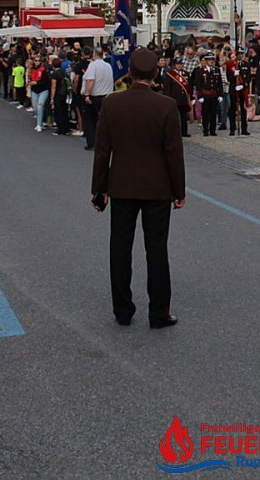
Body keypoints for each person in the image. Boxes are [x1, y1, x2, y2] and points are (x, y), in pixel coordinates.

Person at [90, 48, 185, 330]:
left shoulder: (112, 103)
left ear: (129, 73)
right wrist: (179, 191)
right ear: (155, 73)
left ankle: (122, 309)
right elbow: (173, 153)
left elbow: (102, 151)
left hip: (121, 185)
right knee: (157, 250)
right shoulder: (166, 105)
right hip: (157, 187)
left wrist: (99, 188)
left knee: (120, 248)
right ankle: (159, 312)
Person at [80, 48, 115, 150]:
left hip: (94, 96)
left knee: (90, 120)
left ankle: (91, 142)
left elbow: (90, 80)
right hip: (106, 95)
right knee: (103, 121)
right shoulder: (108, 66)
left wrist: (87, 94)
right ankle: (105, 142)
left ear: (94, 55)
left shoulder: (93, 65)